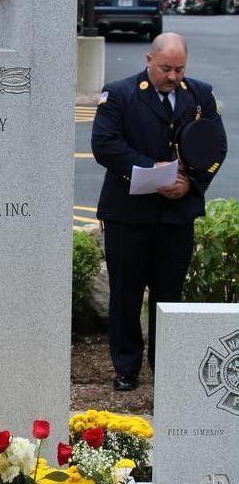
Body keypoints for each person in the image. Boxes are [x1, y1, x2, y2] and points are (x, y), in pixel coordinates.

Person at [91, 32, 227, 391]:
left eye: (180, 69)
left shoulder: (199, 94)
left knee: (169, 294)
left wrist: (191, 183)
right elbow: (105, 145)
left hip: (175, 215)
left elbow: (216, 146)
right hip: (128, 213)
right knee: (126, 293)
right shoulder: (120, 93)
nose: (173, 76)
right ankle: (126, 368)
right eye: (166, 68)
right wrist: (153, 169)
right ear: (148, 60)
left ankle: (164, 366)